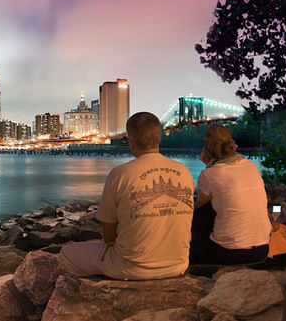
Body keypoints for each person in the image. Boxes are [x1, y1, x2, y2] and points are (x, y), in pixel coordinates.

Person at [59, 112, 195, 279]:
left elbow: (108, 231)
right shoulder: (184, 172)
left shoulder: (120, 174)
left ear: (131, 142)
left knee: (66, 253)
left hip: (131, 268)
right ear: (159, 138)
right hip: (178, 265)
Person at [190, 124, 271, 264]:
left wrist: (208, 165)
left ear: (207, 149)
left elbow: (199, 204)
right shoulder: (250, 165)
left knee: (200, 213)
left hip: (230, 253)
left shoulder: (209, 174)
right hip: (262, 249)